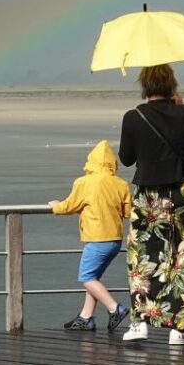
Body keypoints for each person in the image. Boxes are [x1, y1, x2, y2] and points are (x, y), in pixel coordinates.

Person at [118, 64, 184, 345]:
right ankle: (179, 328)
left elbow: (126, 158)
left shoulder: (133, 116)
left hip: (149, 197)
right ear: (171, 84)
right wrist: (181, 108)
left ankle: (139, 323)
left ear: (144, 86)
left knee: (143, 259)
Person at [48, 139, 133, 332]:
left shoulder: (84, 182)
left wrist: (55, 206)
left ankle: (115, 309)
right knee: (94, 277)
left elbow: (70, 205)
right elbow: (128, 212)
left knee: (87, 278)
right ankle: (86, 317)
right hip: (114, 239)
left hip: (96, 239)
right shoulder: (120, 183)